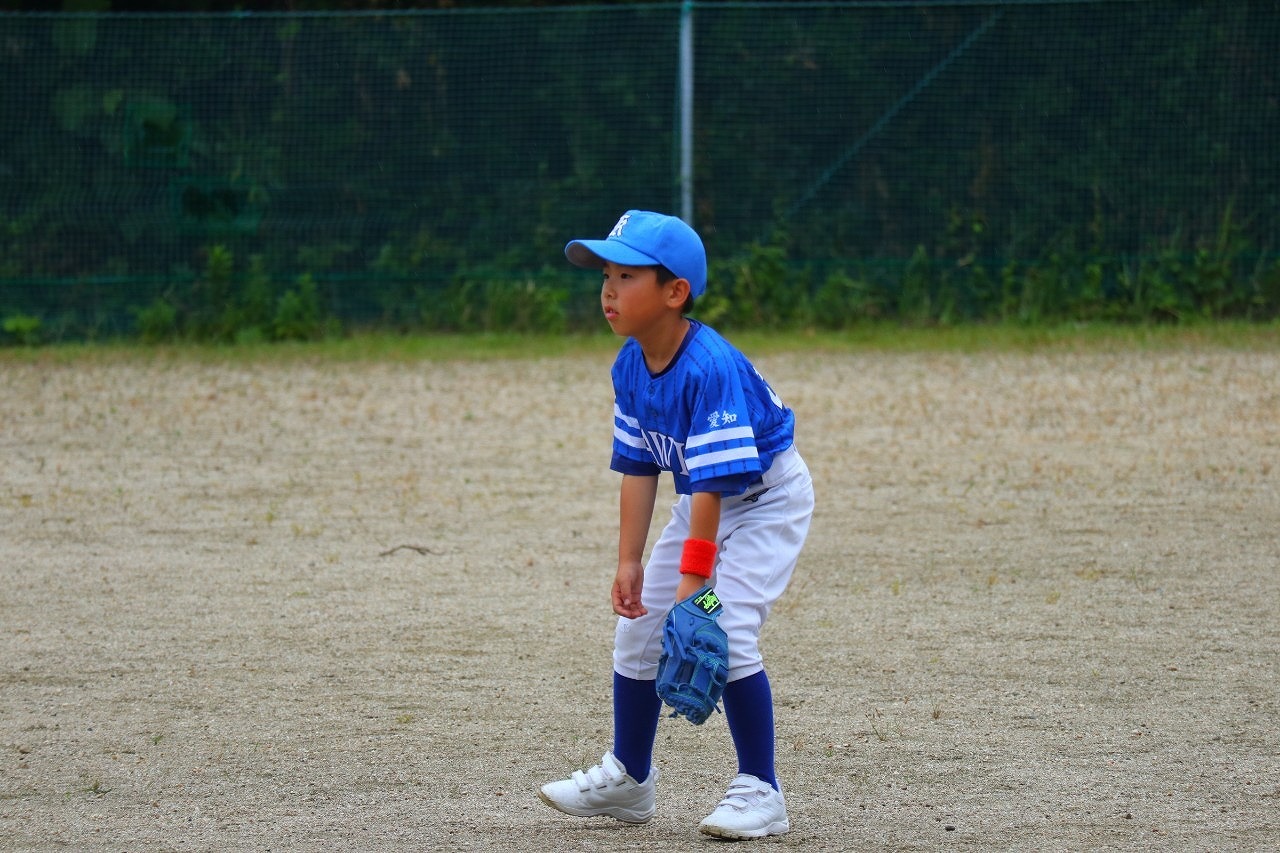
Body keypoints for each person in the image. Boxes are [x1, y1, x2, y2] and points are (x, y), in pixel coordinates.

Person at [537, 210, 815, 839]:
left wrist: (695, 587)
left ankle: (761, 790)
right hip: (702, 506)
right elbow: (639, 468)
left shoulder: (707, 368)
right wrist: (630, 561)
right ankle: (631, 777)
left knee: (721, 622)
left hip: (766, 504)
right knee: (638, 629)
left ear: (674, 292)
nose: (608, 290)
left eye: (626, 275)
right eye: (605, 275)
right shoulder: (630, 366)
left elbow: (715, 486)